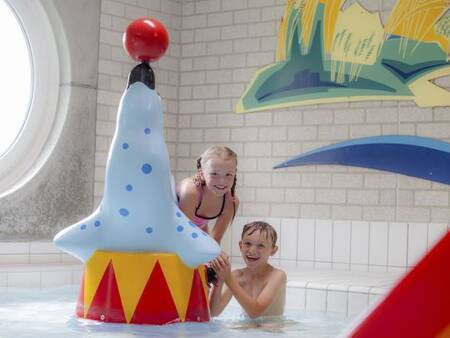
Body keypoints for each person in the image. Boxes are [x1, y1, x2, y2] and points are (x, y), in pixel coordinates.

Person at [209, 221, 287, 319]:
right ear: (240, 246)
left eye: (261, 245)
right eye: (248, 244)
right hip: (248, 325)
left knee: (269, 327)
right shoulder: (236, 276)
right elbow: (213, 313)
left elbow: (255, 312)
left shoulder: (277, 276)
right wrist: (219, 279)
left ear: (273, 250)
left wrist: (228, 278)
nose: (252, 251)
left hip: (272, 327)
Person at [177, 146, 239, 244]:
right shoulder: (191, 192)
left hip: (196, 231)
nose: (222, 181)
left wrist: (215, 253)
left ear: (235, 174)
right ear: (202, 173)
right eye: (214, 174)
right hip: (173, 230)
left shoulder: (230, 201)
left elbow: (215, 241)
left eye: (228, 174)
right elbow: (184, 234)